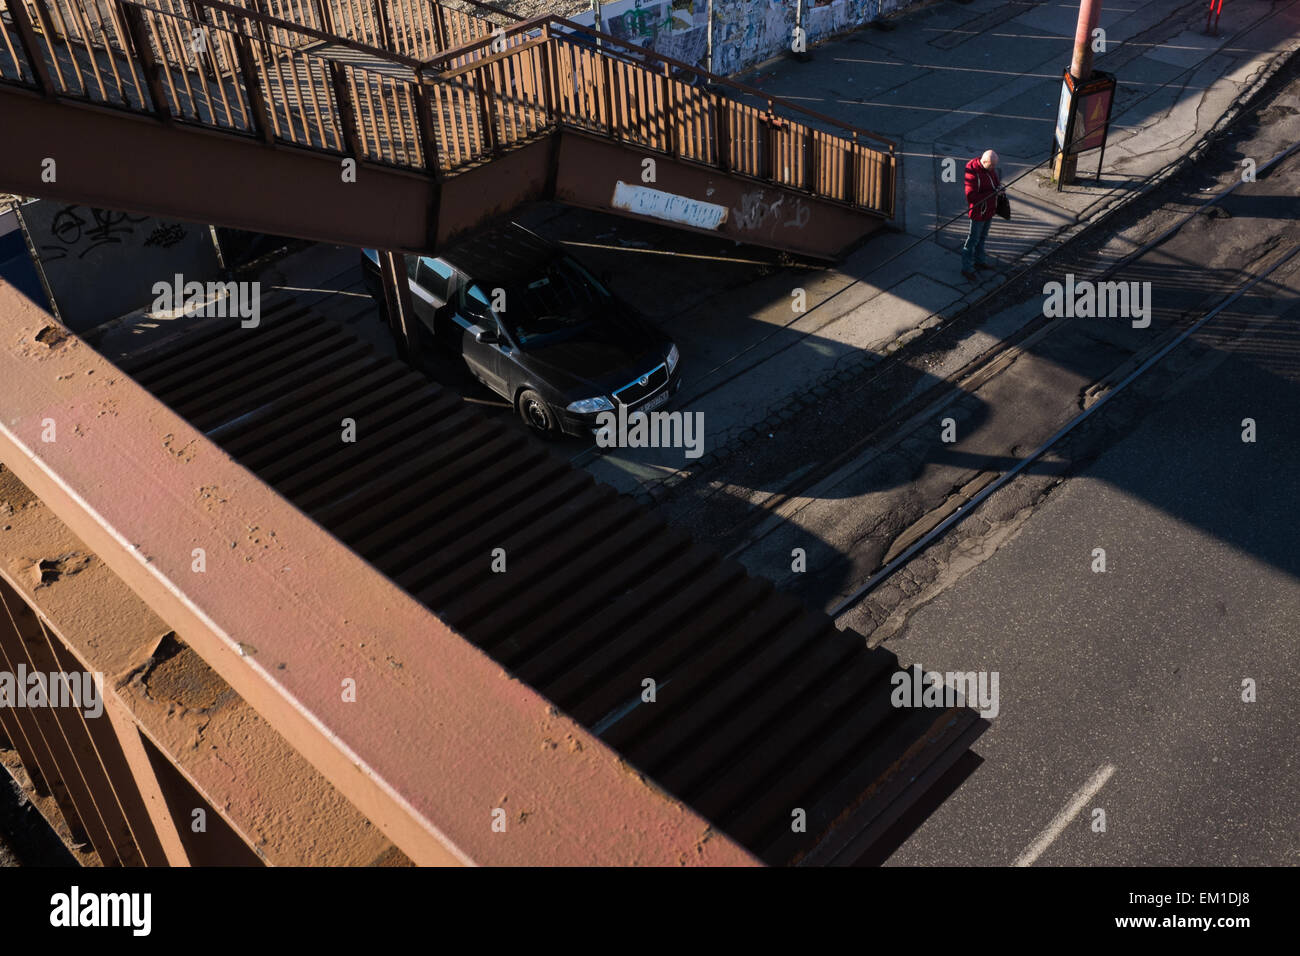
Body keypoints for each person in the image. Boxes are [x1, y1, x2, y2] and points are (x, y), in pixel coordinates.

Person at [961, 149, 1001, 280]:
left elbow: (994, 183)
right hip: (978, 213)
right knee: (972, 240)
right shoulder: (973, 173)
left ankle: (979, 261)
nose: (994, 168)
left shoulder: (988, 168)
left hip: (988, 210)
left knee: (982, 237)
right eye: (992, 166)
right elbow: (971, 197)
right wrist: (994, 193)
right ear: (984, 162)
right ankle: (966, 268)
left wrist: (998, 188)